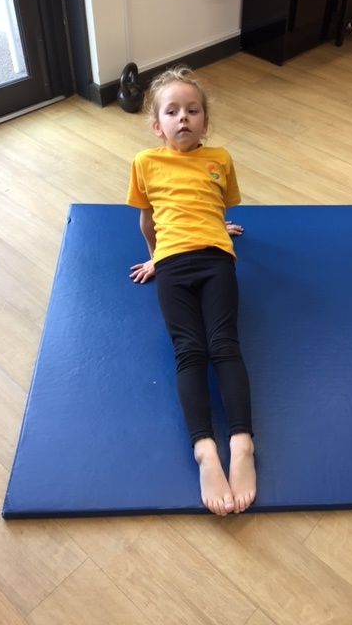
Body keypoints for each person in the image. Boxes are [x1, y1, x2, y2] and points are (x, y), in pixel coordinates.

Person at [126, 65, 256, 516]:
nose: (183, 117)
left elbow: (215, 200)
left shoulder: (220, 158)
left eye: (193, 110)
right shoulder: (145, 163)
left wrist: (219, 227)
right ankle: (205, 450)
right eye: (172, 111)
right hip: (172, 265)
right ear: (157, 126)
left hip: (216, 259)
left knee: (224, 345)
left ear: (205, 121)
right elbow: (148, 219)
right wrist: (154, 257)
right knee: (190, 350)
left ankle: (242, 444)